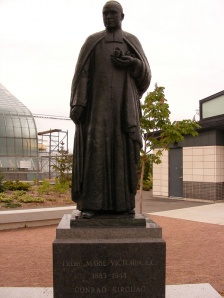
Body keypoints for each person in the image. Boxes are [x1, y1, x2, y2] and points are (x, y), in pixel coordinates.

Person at [70, 1, 151, 218]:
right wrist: (79, 103)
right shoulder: (93, 42)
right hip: (97, 109)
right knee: (95, 150)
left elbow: (145, 77)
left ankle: (124, 204)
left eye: (113, 13)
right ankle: (91, 205)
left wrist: (132, 63)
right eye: (105, 14)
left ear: (122, 16)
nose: (109, 17)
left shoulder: (131, 41)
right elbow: (82, 74)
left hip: (124, 109)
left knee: (123, 151)